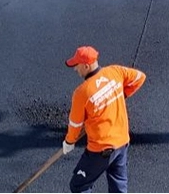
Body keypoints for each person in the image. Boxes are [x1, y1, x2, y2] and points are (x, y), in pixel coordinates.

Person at [63, 46, 147, 194]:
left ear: (86, 66)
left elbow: (75, 124)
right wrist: (123, 94)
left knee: (79, 185)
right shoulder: (115, 71)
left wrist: (69, 142)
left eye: (77, 65)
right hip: (122, 143)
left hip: (100, 150)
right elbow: (140, 77)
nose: (75, 69)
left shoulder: (82, 93)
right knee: (118, 185)